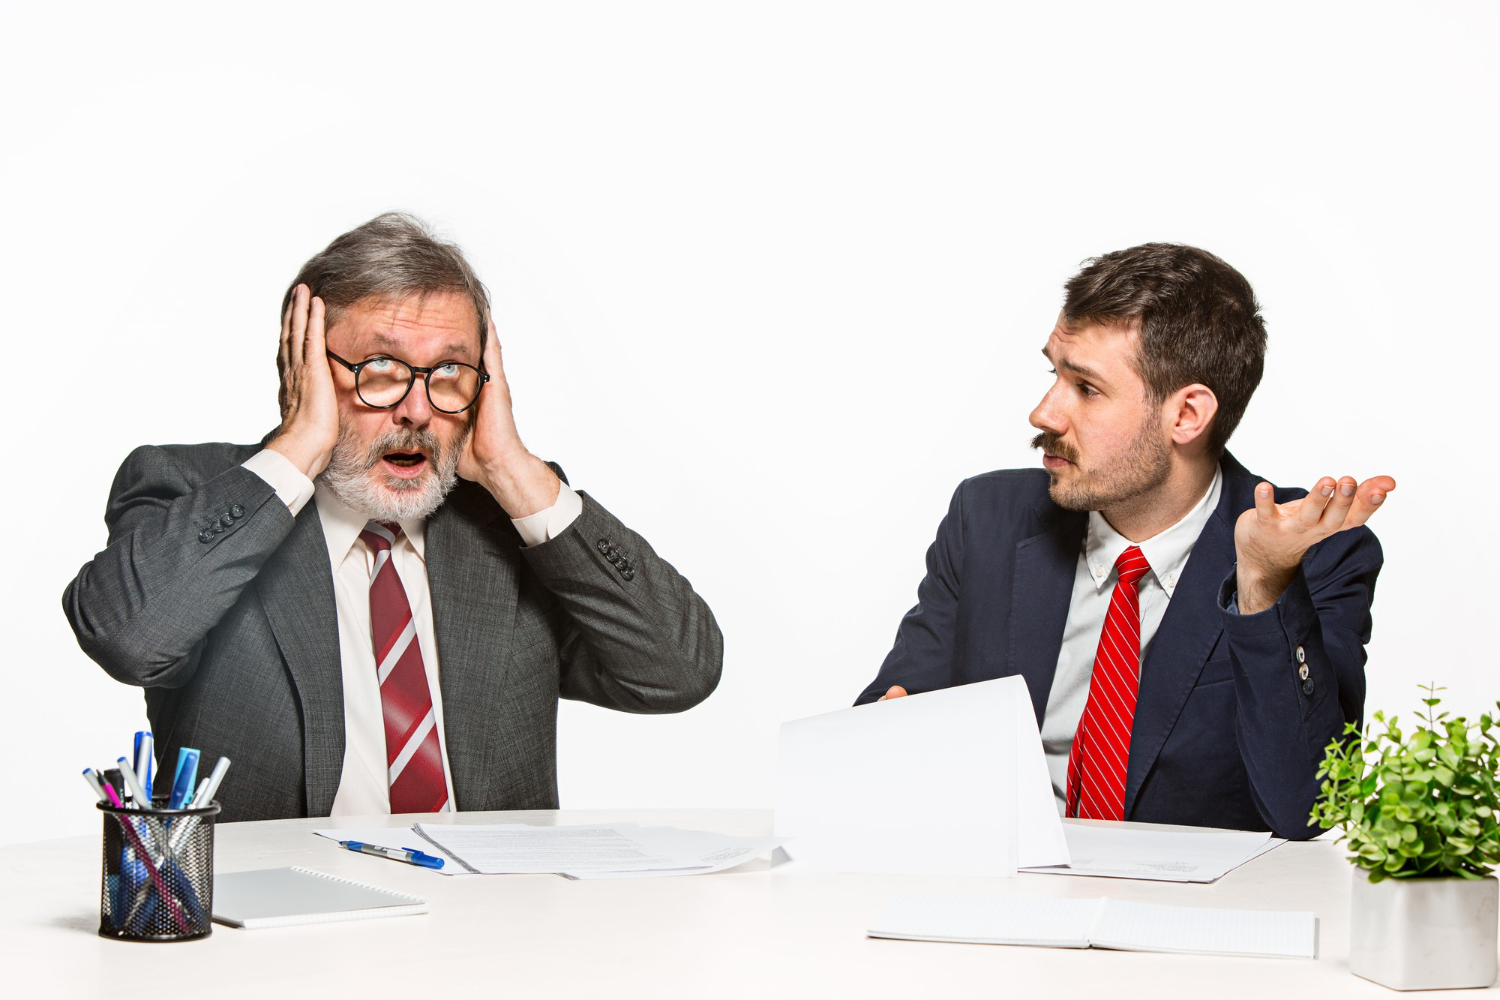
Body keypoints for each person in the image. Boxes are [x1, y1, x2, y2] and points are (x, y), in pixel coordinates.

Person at [64, 213, 722, 822]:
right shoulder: (191, 491)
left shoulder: (512, 520)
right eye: (380, 369)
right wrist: (297, 448)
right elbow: (128, 638)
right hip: (282, 911)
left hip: (496, 908)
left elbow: (678, 671)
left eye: (449, 372)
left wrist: (514, 470)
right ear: (304, 368)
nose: (416, 410)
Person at [856, 243, 1394, 840]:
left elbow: (1307, 810)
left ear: (1186, 416)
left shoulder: (1316, 552)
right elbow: (891, 716)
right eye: (1054, 374)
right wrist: (884, 739)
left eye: (1086, 388)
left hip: (1188, 898)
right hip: (1002, 880)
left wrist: (1264, 583)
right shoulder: (988, 519)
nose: (1044, 414)